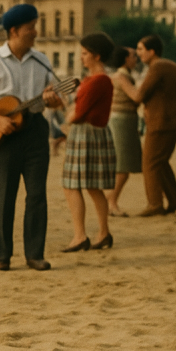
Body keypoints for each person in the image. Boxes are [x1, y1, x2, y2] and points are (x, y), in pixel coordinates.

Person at [0, 3, 64, 271]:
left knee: (36, 195)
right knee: (2, 196)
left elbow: (55, 100)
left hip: (34, 130)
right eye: (30, 27)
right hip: (1, 135)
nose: (35, 32)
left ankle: (34, 254)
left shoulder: (42, 61)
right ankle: (2, 256)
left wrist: (53, 99)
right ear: (14, 31)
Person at [117, 35, 176, 216]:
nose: (138, 54)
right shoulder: (172, 65)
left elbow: (138, 96)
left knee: (150, 163)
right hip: (174, 119)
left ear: (152, 51)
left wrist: (124, 83)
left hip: (160, 121)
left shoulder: (156, 68)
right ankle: (175, 200)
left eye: (140, 49)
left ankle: (155, 203)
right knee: (161, 162)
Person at [61, 33, 117, 252]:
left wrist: (68, 115)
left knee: (71, 185)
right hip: (94, 133)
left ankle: (80, 235)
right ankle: (103, 232)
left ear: (97, 55)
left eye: (85, 53)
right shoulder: (97, 80)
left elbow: (78, 113)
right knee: (92, 186)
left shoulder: (98, 80)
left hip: (86, 135)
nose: (81, 57)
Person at [105, 47, 143, 217]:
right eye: (133, 56)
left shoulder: (120, 75)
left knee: (122, 165)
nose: (136, 59)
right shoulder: (122, 76)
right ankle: (111, 203)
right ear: (125, 59)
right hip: (123, 121)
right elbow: (136, 97)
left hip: (122, 120)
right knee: (123, 166)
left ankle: (110, 200)